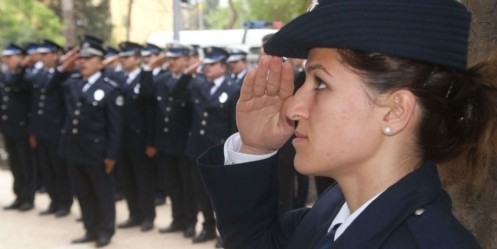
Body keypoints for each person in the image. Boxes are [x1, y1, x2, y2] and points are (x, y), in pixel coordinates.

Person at [197, 0, 494, 248]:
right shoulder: (336, 209)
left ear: (394, 111)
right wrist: (254, 147)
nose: (292, 106)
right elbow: (255, 242)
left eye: (321, 83)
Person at [51, 36, 123, 248]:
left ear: (101, 62)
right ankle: (90, 230)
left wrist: (111, 155)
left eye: (89, 58)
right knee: (83, 193)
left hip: (97, 152)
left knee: (103, 194)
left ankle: (105, 232)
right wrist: (64, 65)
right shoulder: (73, 84)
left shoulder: (109, 88)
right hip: (74, 149)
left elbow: (115, 128)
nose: (82, 61)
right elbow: (51, 86)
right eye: (81, 58)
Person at [185, 46, 240, 244]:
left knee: (221, 196)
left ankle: (223, 232)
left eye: (213, 64)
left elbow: (234, 126)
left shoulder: (233, 89)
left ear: (223, 67)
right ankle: (208, 227)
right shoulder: (199, 85)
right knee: (201, 192)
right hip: (198, 149)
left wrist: (233, 153)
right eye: (206, 64)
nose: (207, 68)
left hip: (219, 150)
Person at [27, 39, 73, 217]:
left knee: (59, 169)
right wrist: (33, 130)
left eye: (46, 54)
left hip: (57, 129)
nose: (42, 58)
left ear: (55, 55)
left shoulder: (64, 75)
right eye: (41, 55)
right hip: (41, 129)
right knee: (47, 168)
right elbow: (33, 104)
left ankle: (64, 202)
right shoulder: (37, 74)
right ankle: (54, 200)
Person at [114, 41, 156, 232]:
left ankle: (147, 216)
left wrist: (151, 142)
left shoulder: (145, 78)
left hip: (140, 139)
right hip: (122, 139)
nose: (123, 60)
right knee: (127, 178)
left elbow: (151, 112)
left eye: (127, 57)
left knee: (143, 179)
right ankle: (134, 214)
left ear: (138, 59)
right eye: (121, 57)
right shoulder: (119, 78)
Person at [0, 43, 35, 212]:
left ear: (20, 58)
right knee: (14, 164)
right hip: (8, 127)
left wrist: (20, 68)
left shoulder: (25, 76)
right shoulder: (5, 75)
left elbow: (18, 83)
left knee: (25, 164)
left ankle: (28, 197)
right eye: (5, 57)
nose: (6, 60)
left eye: (10, 57)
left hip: (23, 128)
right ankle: (19, 195)